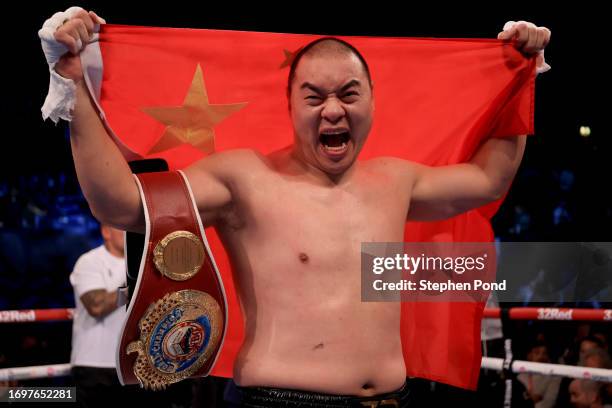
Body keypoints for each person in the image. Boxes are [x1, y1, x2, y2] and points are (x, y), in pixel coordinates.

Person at [43, 8, 551, 407]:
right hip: (275, 400)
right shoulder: (245, 179)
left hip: (395, 400)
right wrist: (72, 82)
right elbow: (121, 204)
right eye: (315, 97)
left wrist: (519, 74)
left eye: (349, 94)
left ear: (372, 102)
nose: (333, 109)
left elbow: (490, 178)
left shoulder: (397, 180)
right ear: (290, 107)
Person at [69, 224, 126, 407]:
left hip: (131, 366)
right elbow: (96, 306)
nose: (128, 232)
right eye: (121, 227)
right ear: (106, 231)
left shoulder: (142, 264)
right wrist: (134, 287)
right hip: (94, 365)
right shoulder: (89, 261)